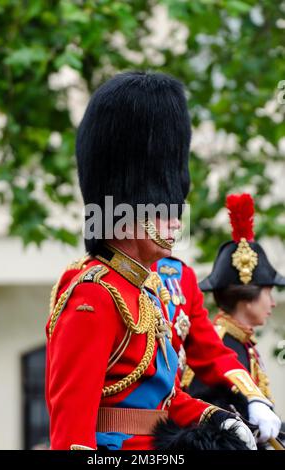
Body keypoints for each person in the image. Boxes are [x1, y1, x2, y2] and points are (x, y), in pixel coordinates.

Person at [45, 71, 255, 451]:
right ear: (127, 211)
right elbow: (70, 431)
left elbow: (167, 400)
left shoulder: (145, 292)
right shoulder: (93, 296)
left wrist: (221, 418)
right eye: (163, 209)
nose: (177, 221)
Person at [153, 193, 283, 444]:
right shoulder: (224, 341)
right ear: (248, 294)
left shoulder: (242, 345)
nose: (273, 302)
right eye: (268, 292)